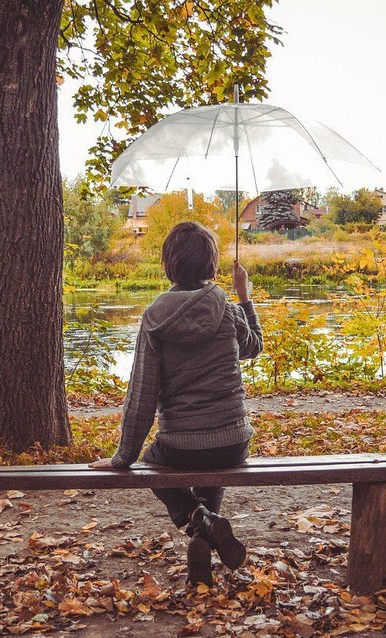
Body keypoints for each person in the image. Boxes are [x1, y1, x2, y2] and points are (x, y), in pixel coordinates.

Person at [89, 221, 263, 585]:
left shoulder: (155, 317)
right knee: (212, 461)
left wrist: (124, 458)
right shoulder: (227, 309)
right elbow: (253, 348)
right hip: (234, 443)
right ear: (211, 264)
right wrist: (244, 296)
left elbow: (141, 395)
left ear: (169, 264)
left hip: (180, 446)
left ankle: (199, 520)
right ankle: (205, 533)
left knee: (151, 463)